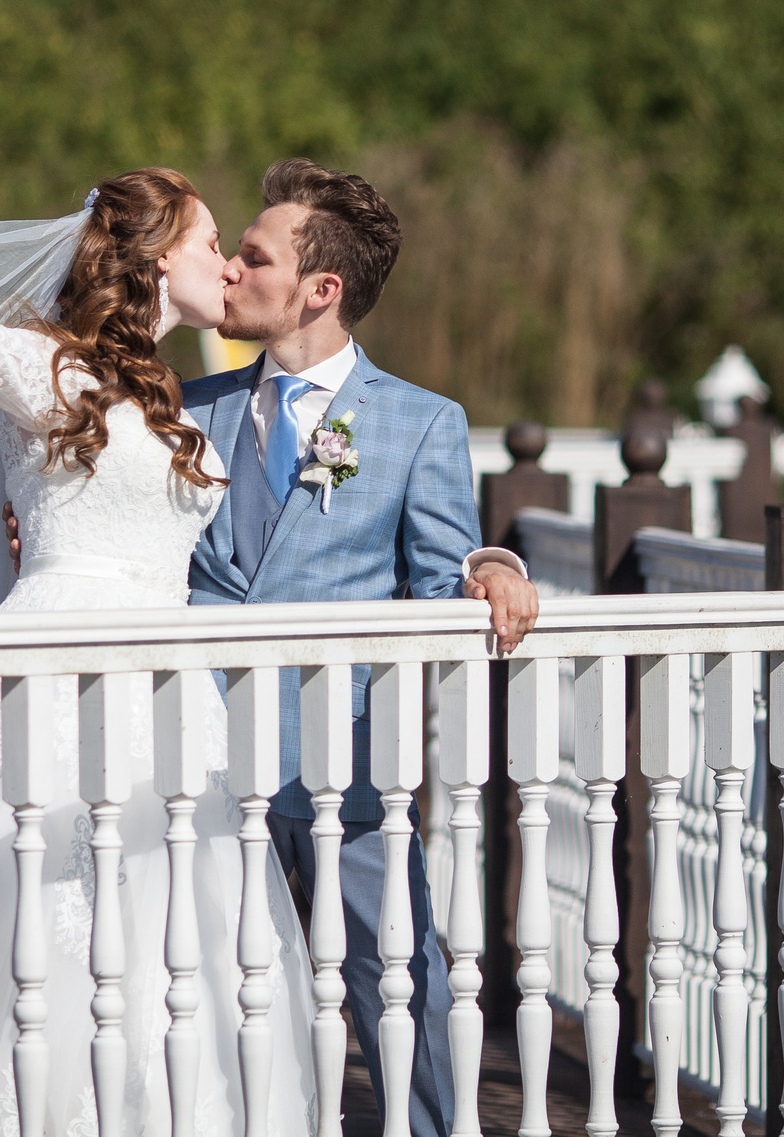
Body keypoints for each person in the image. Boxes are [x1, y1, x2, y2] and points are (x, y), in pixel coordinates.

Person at [0, 168, 322, 1137]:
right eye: (211, 245)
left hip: (167, 695)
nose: (226, 264)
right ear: (161, 259)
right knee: (34, 934)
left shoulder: (169, 393)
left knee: (174, 946)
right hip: (53, 682)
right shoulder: (57, 373)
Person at [179, 159, 538, 1137]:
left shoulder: (420, 424)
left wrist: (494, 565)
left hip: (347, 763)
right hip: (195, 759)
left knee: (400, 982)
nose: (229, 272)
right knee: (206, 979)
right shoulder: (184, 407)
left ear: (319, 289)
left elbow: (444, 564)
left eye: (253, 257)